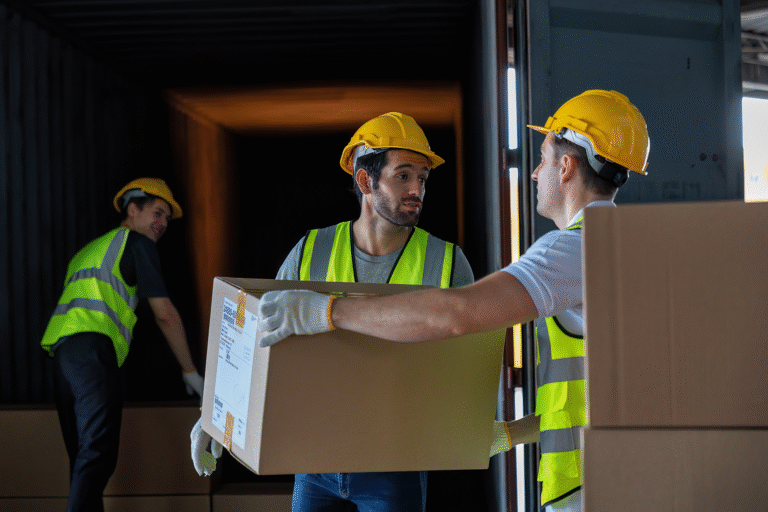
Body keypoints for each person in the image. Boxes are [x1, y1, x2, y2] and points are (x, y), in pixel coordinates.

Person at [255, 91, 651, 512]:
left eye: (541, 158)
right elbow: (598, 394)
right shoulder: (628, 245)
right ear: (365, 181)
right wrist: (512, 432)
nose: (534, 174)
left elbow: (458, 314)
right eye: (403, 175)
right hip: (607, 473)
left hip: (584, 484)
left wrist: (325, 311)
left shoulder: (570, 250)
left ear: (567, 166)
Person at [190, 112, 474, 512]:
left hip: (395, 463)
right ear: (365, 181)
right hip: (314, 462)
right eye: (404, 175)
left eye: (423, 178)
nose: (417, 189)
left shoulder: (447, 262)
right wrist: (212, 415)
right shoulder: (311, 251)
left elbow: (471, 362)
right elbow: (258, 335)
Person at [41, 177, 205, 512]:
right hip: (92, 352)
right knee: (97, 453)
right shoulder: (138, 244)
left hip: (63, 357)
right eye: (157, 213)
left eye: (167, 220)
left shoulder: (89, 251)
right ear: (133, 209)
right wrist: (190, 370)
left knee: (83, 457)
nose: (162, 224)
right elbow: (164, 314)